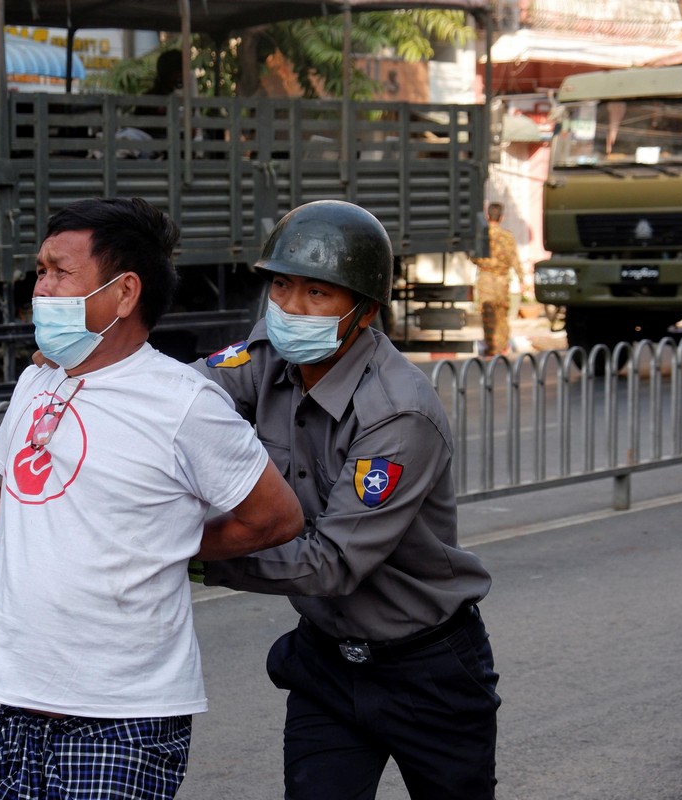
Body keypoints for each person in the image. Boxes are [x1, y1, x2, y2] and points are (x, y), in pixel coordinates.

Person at [0, 197, 304, 800]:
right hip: (16, 706)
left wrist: (174, 545)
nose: (40, 288)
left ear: (124, 294)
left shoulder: (182, 402)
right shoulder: (38, 380)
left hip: (122, 720)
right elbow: (12, 503)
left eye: (59, 272)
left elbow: (276, 516)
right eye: (40, 270)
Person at [192, 200, 500, 800]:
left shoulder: (397, 412)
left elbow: (331, 562)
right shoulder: (270, 360)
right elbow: (177, 399)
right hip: (327, 667)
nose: (290, 308)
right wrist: (92, 373)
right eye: (281, 285)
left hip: (428, 670)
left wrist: (192, 554)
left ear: (364, 310)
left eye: (317, 293)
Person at [473, 201, 527, 357]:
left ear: (488, 215)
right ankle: (502, 347)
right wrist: (522, 279)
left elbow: (473, 257)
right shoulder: (507, 236)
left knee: (488, 313)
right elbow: (514, 259)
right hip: (502, 279)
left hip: (485, 277)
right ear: (501, 217)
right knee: (501, 313)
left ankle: (491, 347)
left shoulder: (481, 236)